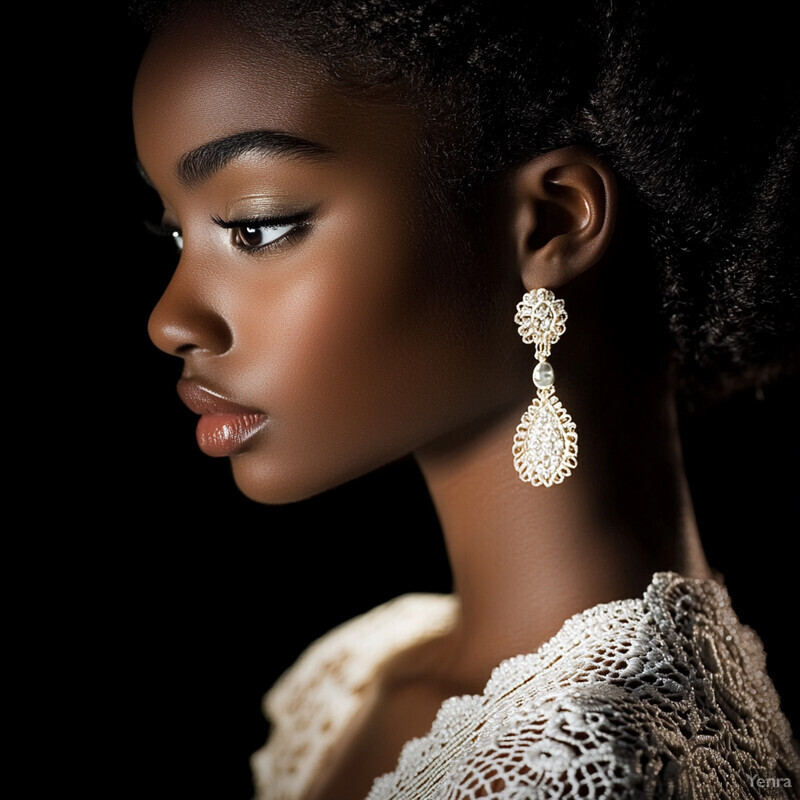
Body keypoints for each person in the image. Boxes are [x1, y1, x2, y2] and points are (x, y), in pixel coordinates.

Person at [130, 0, 799, 797]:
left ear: (550, 223)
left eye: (257, 226)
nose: (169, 320)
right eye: (177, 234)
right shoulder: (366, 669)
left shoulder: (590, 769)